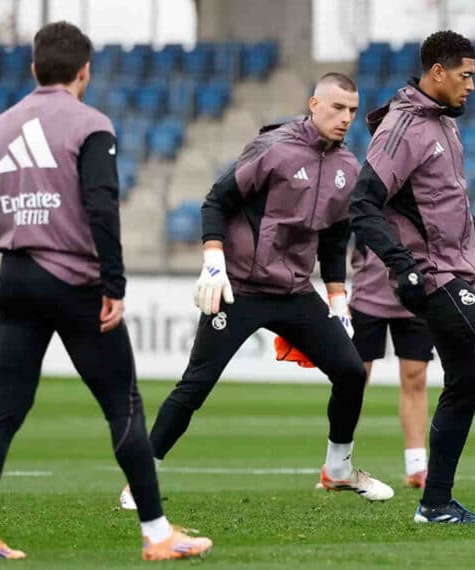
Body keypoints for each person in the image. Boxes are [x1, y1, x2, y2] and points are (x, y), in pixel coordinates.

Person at [0, 21, 212, 560]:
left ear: (34, 68)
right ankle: (156, 534)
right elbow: (101, 206)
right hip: (74, 281)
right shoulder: (90, 123)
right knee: (122, 406)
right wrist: (113, 283)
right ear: (84, 72)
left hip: (16, 278)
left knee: (5, 407)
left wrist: (17, 241)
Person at [119, 72, 393, 509]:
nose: (346, 119)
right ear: (314, 104)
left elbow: (334, 239)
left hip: (295, 291)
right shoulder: (273, 149)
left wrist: (338, 299)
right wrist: (214, 262)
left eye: (353, 111)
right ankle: (140, 480)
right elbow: (216, 201)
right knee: (197, 384)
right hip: (241, 287)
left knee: (350, 371)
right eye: (338, 108)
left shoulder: (348, 167)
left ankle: (338, 469)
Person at [350, 30, 475, 525]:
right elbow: (363, 204)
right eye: (466, 74)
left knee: (466, 379)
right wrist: (401, 266)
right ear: (438, 72)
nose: (472, 85)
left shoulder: (443, 125)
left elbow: (439, 199)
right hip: (432, 277)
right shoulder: (404, 127)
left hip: (455, 270)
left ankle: (434, 503)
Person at [349, 243, 434, 488]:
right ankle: (336, 463)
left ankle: (417, 467)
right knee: (353, 379)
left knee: (415, 379)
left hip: (416, 296)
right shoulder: (362, 203)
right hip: (367, 295)